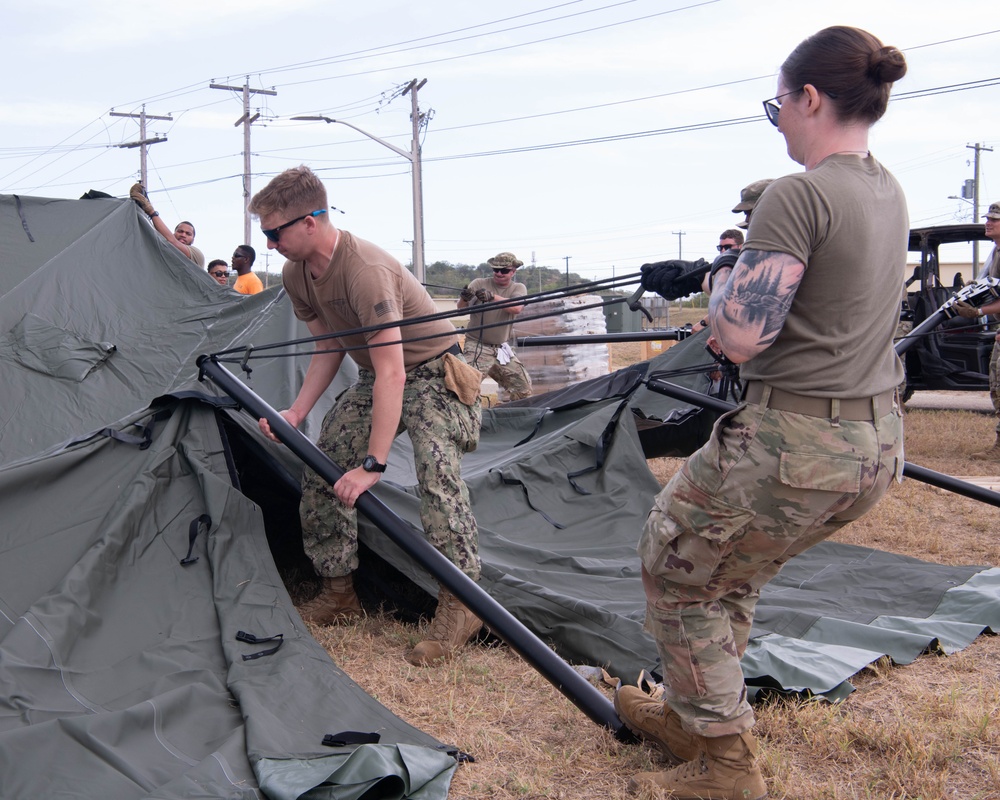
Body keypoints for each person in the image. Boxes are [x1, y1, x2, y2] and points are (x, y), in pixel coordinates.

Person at [618, 26, 908, 799]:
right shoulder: (885, 187)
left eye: (777, 103)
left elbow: (741, 335)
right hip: (872, 442)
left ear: (810, 98)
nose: (777, 117)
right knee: (730, 573)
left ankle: (725, 766)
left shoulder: (799, 193)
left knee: (674, 569)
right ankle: (693, 716)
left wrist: (717, 279)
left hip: (794, 440)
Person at [248, 165, 484, 667]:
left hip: (432, 374)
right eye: (264, 234)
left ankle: (462, 603)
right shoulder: (296, 273)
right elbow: (329, 345)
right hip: (378, 377)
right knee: (322, 460)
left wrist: (373, 465)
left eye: (275, 232)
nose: (269, 244)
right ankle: (339, 592)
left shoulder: (365, 270)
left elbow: (394, 373)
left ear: (311, 221)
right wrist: (296, 412)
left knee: (435, 476)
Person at [953, 201, 1000, 458]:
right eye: (988, 218)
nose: (988, 222)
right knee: (996, 385)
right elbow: (990, 284)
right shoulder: (995, 252)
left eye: (994, 219)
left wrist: (979, 312)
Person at [457, 251, 533, 401]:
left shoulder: (518, 288)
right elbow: (461, 310)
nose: (499, 273)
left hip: (501, 349)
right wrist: (464, 299)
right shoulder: (479, 283)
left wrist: (492, 297)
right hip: (476, 346)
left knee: (523, 389)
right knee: (465, 388)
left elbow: (516, 307)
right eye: (495, 269)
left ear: (513, 271)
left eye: (504, 270)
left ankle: (518, 418)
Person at [128, 183, 206, 268]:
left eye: (188, 234)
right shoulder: (166, 249)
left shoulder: (197, 254)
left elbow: (172, 242)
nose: (183, 235)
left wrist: (151, 212)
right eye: (180, 231)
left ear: (193, 239)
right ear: (174, 233)